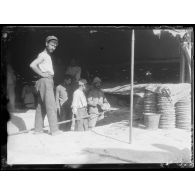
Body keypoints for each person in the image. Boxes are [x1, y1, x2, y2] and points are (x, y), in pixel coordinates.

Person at [29, 35, 61, 135]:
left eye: (55, 46)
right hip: (45, 80)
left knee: (40, 106)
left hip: (44, 81)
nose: (53, 48)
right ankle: (54, 130)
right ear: (46, 44)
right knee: (51, 105)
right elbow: (32, 65)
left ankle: (38, 129)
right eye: (52, 45)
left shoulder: (46, 55)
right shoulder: (43, 55)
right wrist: (42, 74)